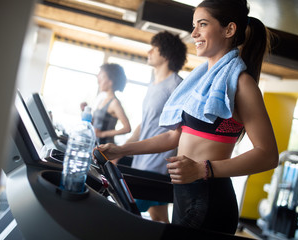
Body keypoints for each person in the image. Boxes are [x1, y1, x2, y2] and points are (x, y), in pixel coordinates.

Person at [98, 0, 279, 235]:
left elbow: (268, 155)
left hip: (210, 199)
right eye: (194, 26)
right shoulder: (202, 82)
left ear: (229, 30)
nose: (193, 33)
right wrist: (123, 150)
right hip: (184, 194)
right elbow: (176, 136)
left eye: (202, 25)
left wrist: (204, 170)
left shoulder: (242, 84)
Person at [123, 31, 187, 223]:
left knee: (125, 214)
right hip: (141, 163)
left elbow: (179, 131)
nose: (149, 51)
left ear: (165, 53)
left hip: (157, 167)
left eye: (154, 47)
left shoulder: (177, 86)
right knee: (159, 218)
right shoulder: (153, 83)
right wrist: (122, 149)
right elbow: (146, 122)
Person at [83, 63, 131, 144]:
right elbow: (96, 125)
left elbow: (127, 128)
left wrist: (102, 134)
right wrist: (84, 112)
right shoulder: (102, 100)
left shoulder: (114, 103)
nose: (99, 81)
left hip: (105, 147)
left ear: (110, 82)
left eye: (102, 77)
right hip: (95, 144)